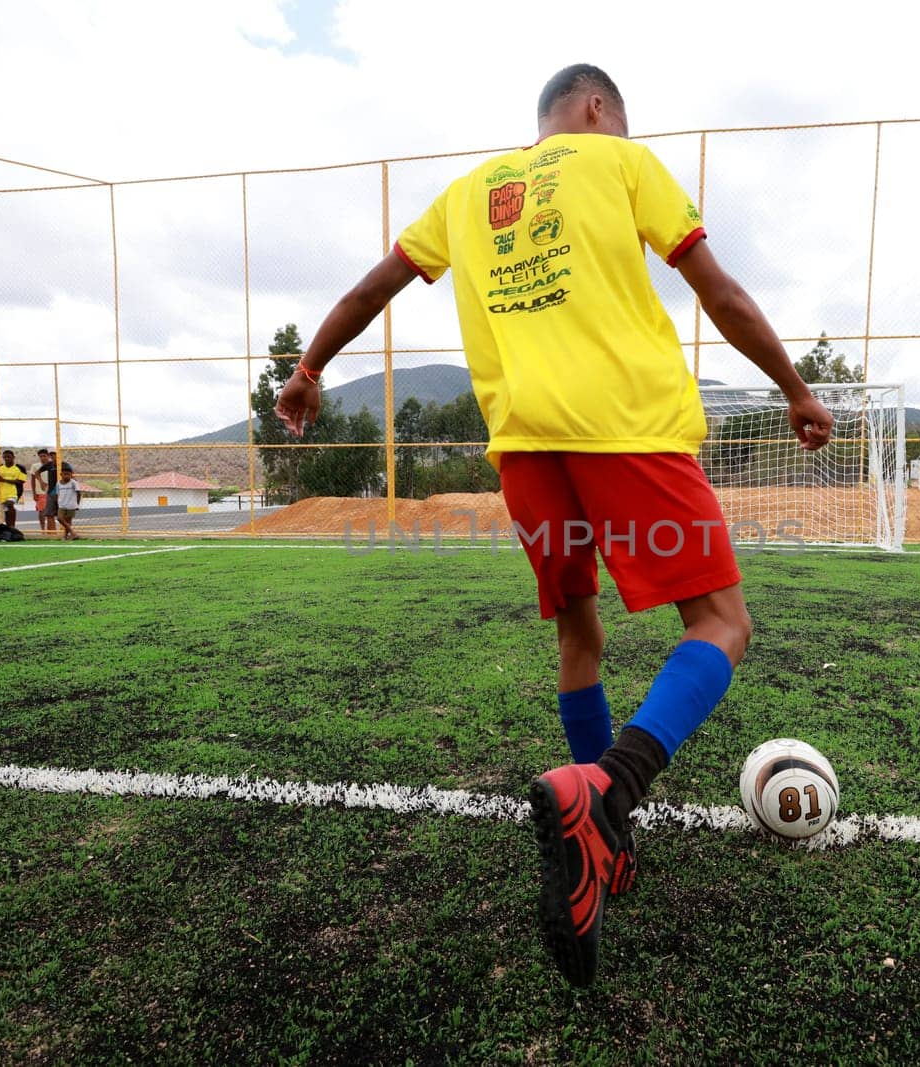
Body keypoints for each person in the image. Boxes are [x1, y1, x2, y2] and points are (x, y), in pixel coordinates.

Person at [275, 64, 834, 988]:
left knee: (581, 631)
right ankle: (610, 788)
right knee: (723, 623)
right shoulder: (622, 163)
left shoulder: (466, 194)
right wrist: (794, 388)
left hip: (526, 448)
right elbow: (718, 290)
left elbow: (374, 287)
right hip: (629, 429)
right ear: (595, 109)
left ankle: (602, 852)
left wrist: (307, 369)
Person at [0, 449, 24, 530]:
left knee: (10, 504)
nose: (7, 459)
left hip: (14, 492)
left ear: (13, 457)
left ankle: (12, 526)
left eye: (9, 457)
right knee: (7, 511)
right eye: (5, 457)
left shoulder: (19, 468)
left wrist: (4, 479)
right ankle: (9, 529)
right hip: (2, 493)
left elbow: (21, 481)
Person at [32, 448, 59, 534]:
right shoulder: (35, 466)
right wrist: (34, 492)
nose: (43, 458)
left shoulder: (54, 465)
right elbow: (33, 479)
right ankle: (43, 530)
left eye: (44, 456)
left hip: (52, 491)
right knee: (42, 511)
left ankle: (50, 530)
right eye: (41, 456)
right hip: (40, 492)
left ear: (48, 456)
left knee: (51, 512)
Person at [54, 463, 81, 540]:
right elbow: (57, 494)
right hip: (62, 505)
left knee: (68, 521)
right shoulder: (58, 483)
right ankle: (73, 533)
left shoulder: (73, 483)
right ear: (61, 474)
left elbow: (78, 493)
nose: (66, 476)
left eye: (68, 474)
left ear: (71, 474)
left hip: (71, 505)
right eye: (64, 474)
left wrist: (77, 504)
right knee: (59, 518)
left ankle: (65, 536)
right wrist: (57, 502)